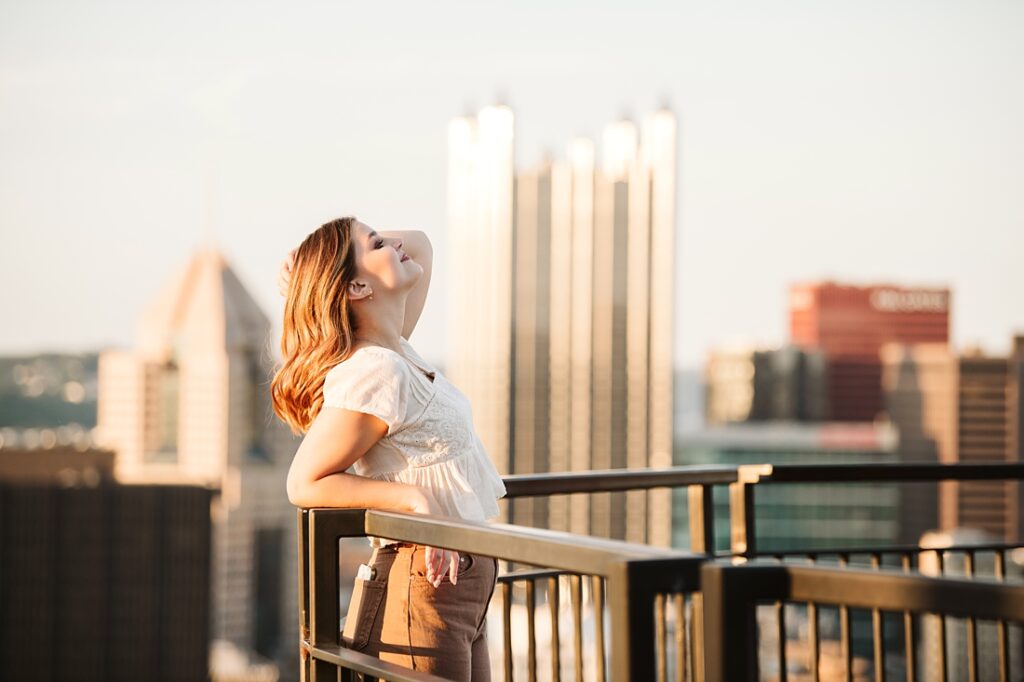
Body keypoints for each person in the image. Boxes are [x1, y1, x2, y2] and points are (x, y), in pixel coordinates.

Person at [271, 216, 507, 681]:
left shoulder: (397, 350)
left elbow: (421, 245)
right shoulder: (377, 370)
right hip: (420, 588)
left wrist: (324, 257)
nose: (396, 242)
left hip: (461, 586)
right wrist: (412, 499)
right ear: (358, 286)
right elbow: (304, 481)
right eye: (378, 243)